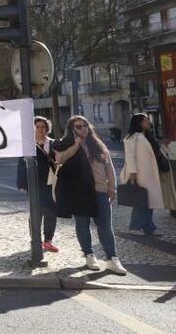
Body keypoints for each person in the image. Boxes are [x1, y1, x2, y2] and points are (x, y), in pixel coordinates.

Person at [52, 116, 126, 275]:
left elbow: (109, 168)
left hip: (100, 191)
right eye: (79, 126)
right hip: (79, 193)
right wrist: (76, 145)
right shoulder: (65, 143)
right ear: (72, 129)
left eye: (85, 126)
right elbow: (60, 159)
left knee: (105, 226)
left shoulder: (98, 145)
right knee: (83, 226)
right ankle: (89, 255)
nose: (83, 129)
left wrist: (112, 187)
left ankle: (112, 258)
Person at [16, 116, 58, 253]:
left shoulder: (53, 144)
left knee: (51, 212)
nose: (41, 130)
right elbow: (21, 165)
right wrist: (22, 183)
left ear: (47, 129)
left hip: (51, 183)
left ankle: (48, 240)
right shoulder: (28, 145)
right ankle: (35, 239)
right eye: (38, 127)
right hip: (34, 184)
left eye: (43, 127)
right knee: (36, 213)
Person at [121, 113, 165, 235]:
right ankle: (138, 227)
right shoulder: (131, 138)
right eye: (146, 120)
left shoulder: (147, 136)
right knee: (141, 202)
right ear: (139, 123)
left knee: (148, 202)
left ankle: (148, 228)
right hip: (141, 174)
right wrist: (133, 173)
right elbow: (130, 157)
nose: (148, 122)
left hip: (151, 173)